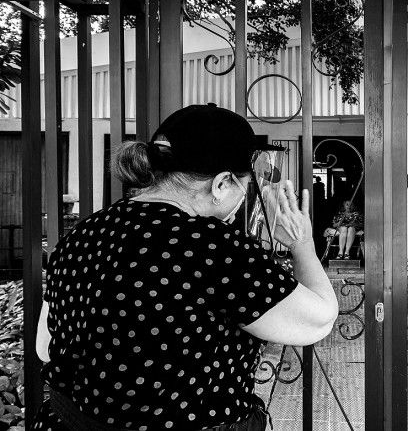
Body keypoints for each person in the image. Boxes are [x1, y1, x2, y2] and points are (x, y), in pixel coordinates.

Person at [33, 103, 338, 431]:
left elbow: (45, 347)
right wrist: (302, 243)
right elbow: (318, 320)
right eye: (244, 185)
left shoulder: (86, 232)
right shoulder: (213, 245)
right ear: (222, 184)